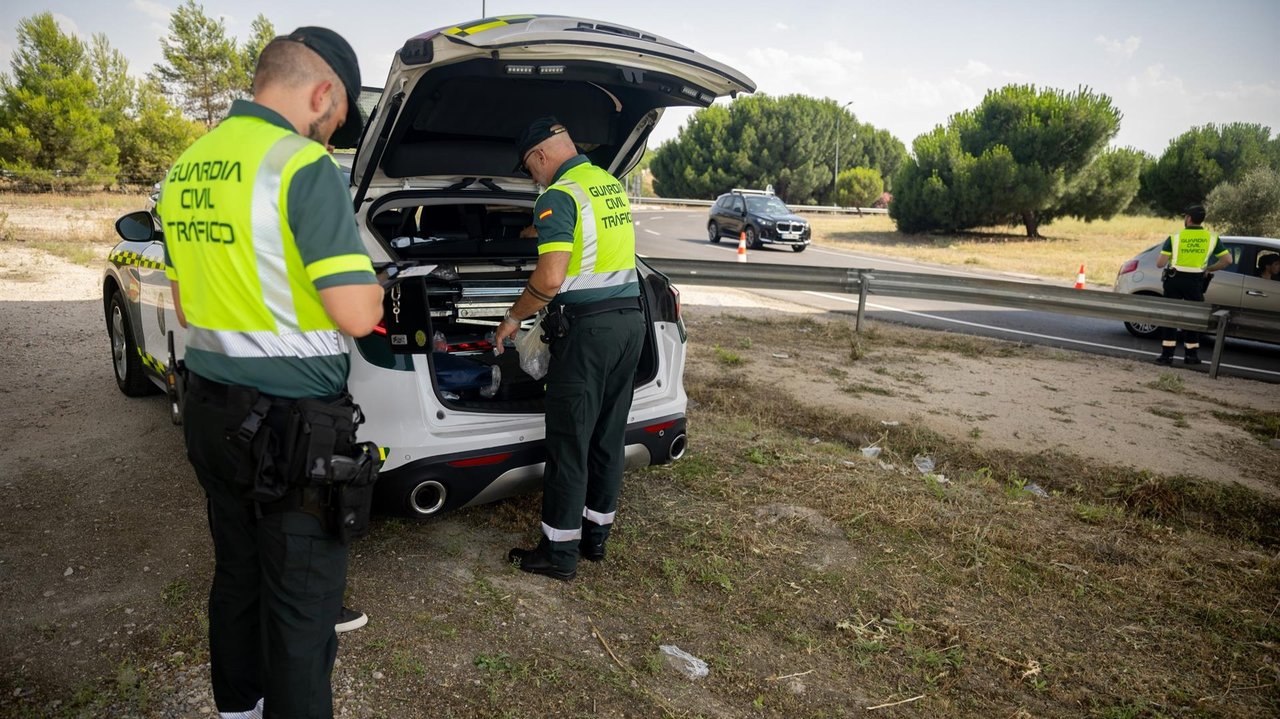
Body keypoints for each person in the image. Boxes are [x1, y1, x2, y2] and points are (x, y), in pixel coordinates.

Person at [157, 27, 383, 718]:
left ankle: (238, 711)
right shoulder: (301, 166)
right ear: (322, 92)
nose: (331, 138)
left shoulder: (188, 167)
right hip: (293, 436)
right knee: (301, 608)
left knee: (238, 576)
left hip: (210, 409)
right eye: (337, 122)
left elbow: (185, 302)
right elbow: (354, 312)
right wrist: (374, 288)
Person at [494, 117, 645, 581]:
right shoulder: (606, 183)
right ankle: (595, 539)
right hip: (630, 324)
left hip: (588, 334)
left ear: (540, 155)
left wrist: (515, 317)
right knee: (606, 436)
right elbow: (593, 249)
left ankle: (558, 555)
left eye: (528, 168)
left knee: (569, 442)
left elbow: (551, 277)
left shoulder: (558, 195)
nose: (531, 178)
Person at [1153, 204, 1232, 366]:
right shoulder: (1211, 238)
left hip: (1174, 280)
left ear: (1188, 218)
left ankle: (1167, 356)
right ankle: (1191, 356)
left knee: (1170, 317)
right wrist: (1208, 269)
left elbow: (1160, 264)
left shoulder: (1175, 237)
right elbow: (1227, 260)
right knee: (1194, 317)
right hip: (1196, 281)